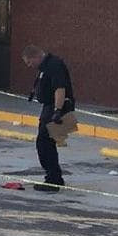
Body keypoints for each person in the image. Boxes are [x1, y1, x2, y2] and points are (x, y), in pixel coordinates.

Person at [22, 45, 75, 193]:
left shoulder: (54, 65)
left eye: (29, 62)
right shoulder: (46, 66)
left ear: (36, 57)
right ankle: (53, 177)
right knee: (46, 143)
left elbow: (60, 88)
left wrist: (57, 111)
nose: (29, 65)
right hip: (49, 107)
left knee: (45, 143)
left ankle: (53, 179)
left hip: (57, 108)